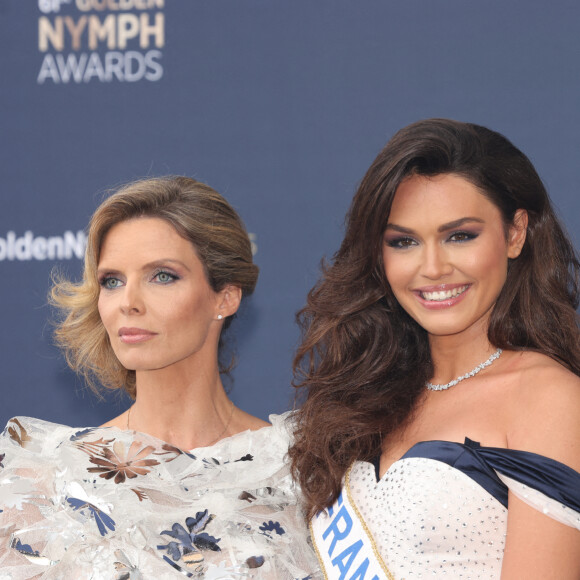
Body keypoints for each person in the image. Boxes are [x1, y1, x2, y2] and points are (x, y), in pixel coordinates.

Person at [288, 119, 580, 578]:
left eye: (459, 236)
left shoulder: (547, 397)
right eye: (403, 242)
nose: (432, 267)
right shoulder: (361, 394)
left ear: (515, 232)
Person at [0, 176, 320, 579]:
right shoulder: (45, 478)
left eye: (162, 276)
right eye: (112, 281)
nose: (128, 303)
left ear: (225, 296)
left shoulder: (302, 470)